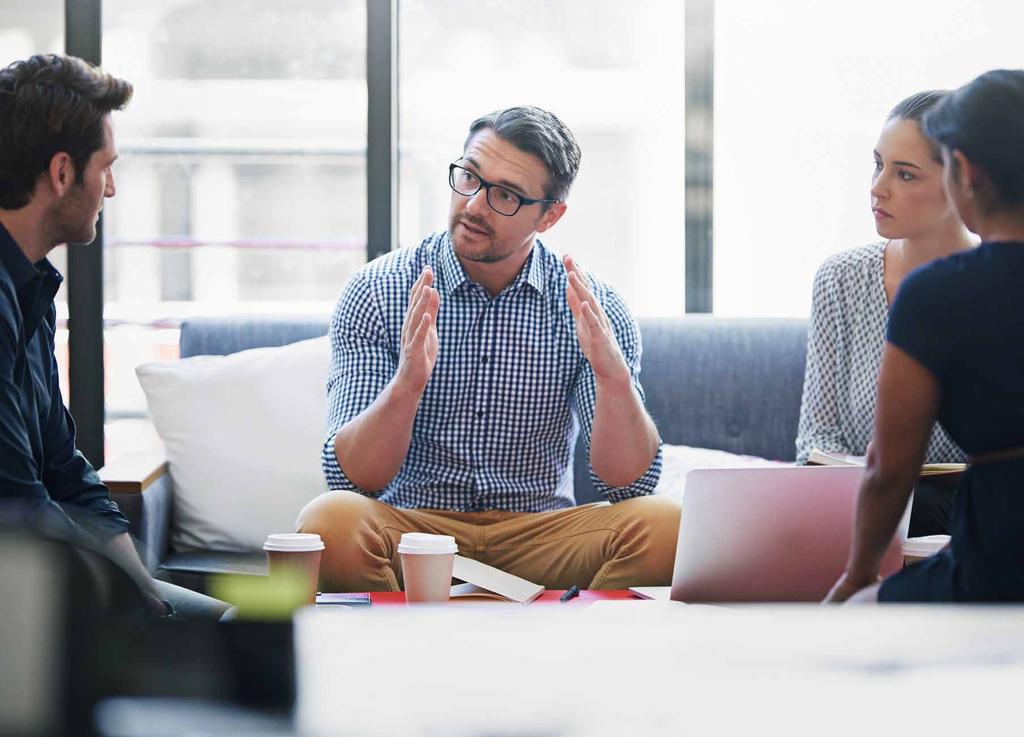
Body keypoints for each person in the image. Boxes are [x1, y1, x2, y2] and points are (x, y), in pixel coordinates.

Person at [298, 106, 680, 592]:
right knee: (330, 522)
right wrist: (407, 385)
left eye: (504, 195)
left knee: (667, 525)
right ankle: (404, 656)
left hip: (540, 534)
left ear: (550, 215)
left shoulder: (593, 307)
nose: (475, 206)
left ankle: (572, 655)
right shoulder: (378, 289)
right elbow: (352, 482)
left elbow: (628, 487)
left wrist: (614, 379)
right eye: (469, 178)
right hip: (414, 531)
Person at [0, 54, 228, 620]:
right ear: (60, 173)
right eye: (106, 167)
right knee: (222, 654)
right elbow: (17, 504)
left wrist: (139, 585)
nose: (112, 189)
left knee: (224, 625)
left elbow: (62, 467)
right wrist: (128, 603)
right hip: (21, 586)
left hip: (45, 567)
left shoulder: (30, 289)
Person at [826, 68, 1024, 603]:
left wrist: (858, 577)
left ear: (964, 173)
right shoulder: (852, 279)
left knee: (857, 616)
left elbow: (890, 470)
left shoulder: (939, 294)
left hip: (999, 562)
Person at [796, 90, 973, 537]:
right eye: (878, 165)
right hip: (859, 508)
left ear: (962, 183)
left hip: (968, 519)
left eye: (906, 175)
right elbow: (814, 442)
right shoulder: (842, 279)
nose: (878, 188)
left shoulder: (1002, 285)